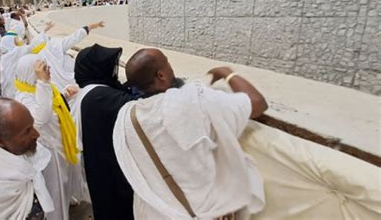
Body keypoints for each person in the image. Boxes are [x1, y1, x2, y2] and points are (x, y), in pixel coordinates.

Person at [113, 49, 268, 219]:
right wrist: (227, 73)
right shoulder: (192, 100)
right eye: (167, 62)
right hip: (200, 213)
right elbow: (257, 103)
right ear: (161, 75)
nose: (171, 67)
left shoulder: (128, 116)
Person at [72, 44, 138, 220]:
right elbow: (139, 105)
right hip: (112, 175)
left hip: (105, 169)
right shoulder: (99, 96)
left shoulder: (93, 90)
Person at [15, 55, 79, 220]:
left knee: (64, 183)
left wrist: (64, 94)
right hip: (49, 152)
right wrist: (43, 83)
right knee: (54, 191)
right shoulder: (24, 97)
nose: (48, 72)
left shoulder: (39, 88)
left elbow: (51, 105)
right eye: (44, 69)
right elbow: (40, 118)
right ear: (31, 74)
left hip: (59, 144)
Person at [38, 21, 105, 97]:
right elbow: (73, 38)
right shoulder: (53, 45)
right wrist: (90, 26)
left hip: (64, 94)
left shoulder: (36, 60)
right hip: (77, 82)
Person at [0, 24, 51, 98]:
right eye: (14, 40)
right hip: (16, 88)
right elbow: (32, 46)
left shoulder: (3, 56)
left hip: (7, 89)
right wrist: (43, 31)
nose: (17, 41)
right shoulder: (16, 52)